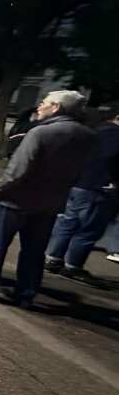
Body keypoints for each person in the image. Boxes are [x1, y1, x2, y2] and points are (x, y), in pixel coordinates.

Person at [0, 91, 98, 305]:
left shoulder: (41, 133)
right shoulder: (88, 136)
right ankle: (26, 293)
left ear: (56, 107)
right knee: (34, 251)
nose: (39, 106)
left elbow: (18, 169)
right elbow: (84, 171)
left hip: (16, 199)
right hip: (50, 202)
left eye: (44, 103)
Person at [44, 112, 119, 281]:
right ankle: (73, 265)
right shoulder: (115, 136)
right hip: (98, 187)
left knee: (68, 222)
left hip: (78, 184)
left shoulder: (94, 131)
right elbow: (110, 159)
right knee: (88, 229)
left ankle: (53, 258)